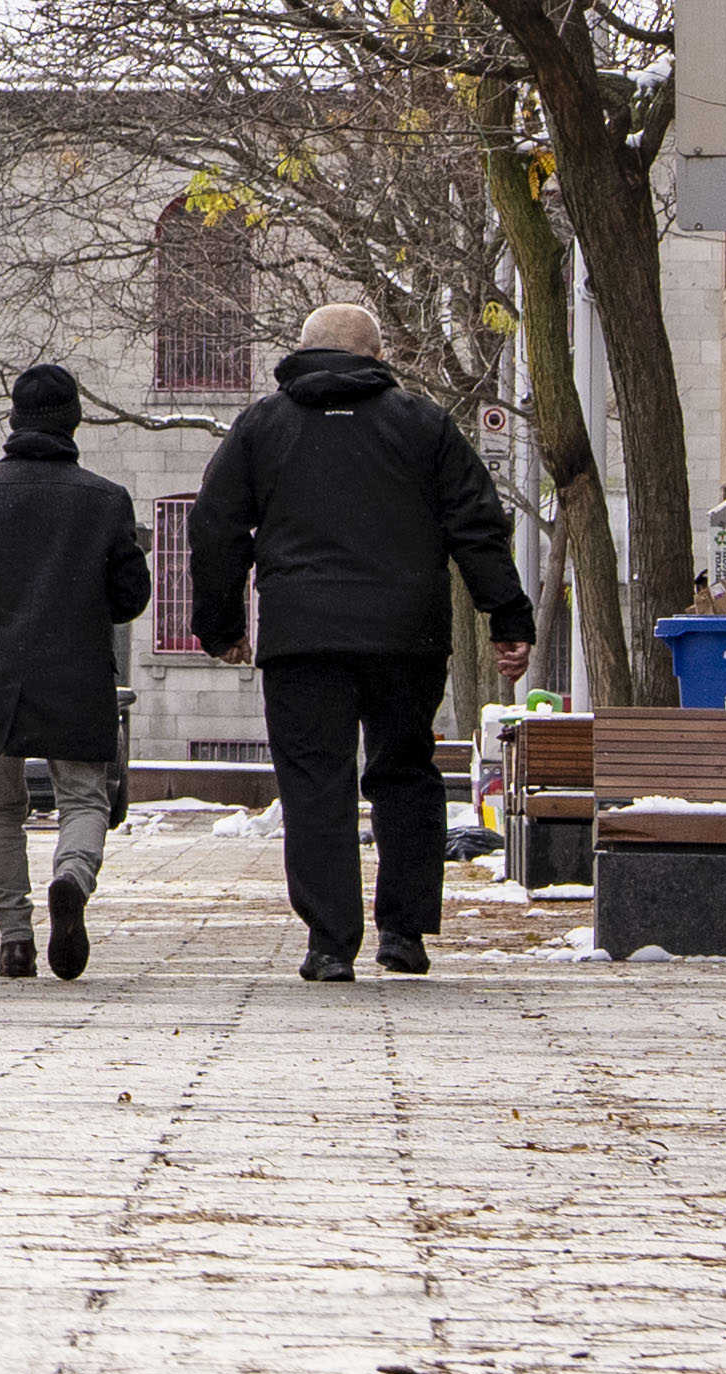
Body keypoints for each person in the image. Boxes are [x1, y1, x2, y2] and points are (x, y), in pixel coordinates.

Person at [189, 294, 534, 980]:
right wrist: (508, 617)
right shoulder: (421, 424)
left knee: (315, 780)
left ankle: (328, 940)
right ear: (377, 357)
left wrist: (220, 625)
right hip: (404, 633)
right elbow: (476, 522)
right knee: (404, 773)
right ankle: (403, 932)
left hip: (301, 634)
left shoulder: (262, 425)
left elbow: (213, 524)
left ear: (302, 349)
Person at [0, 364, 151, 982]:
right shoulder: (104, 499)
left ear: (13, 419)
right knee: (84, 798)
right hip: (77, 675)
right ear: (73, 420)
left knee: (0, 806)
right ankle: (72, 877)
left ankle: (15, 941)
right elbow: (130, 599)